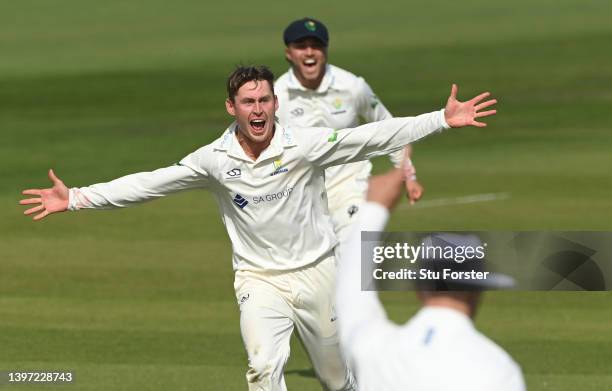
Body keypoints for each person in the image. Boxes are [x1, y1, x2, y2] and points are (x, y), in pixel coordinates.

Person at [20, 65, 496, 391]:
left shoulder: (303, 145)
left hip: (318, 272)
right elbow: (152, 183)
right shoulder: (214, 159)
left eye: (266, 99)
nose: (259, 109)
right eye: (249, 101)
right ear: (231, 107)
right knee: (263, 365)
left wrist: (441, 120)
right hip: (258, 279)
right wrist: (77, 198)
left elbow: (369, 136)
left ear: (274, 102)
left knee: (334, 377)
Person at [335, 167, 526, 391]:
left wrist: (374, 208)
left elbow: (350, 297)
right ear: (477, 292)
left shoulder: (374, 348)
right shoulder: (497, 369)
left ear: (420, 287)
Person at [276, 17, 423, 241]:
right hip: (303, 197)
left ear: (325, 50)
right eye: (301, 46)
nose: (309, 52)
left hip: (351, 188)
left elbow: (390, 129)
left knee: (353, 253)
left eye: (316, 46)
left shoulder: (352, 86)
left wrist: (408, 175)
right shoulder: (277, 96)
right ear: (289, 53)